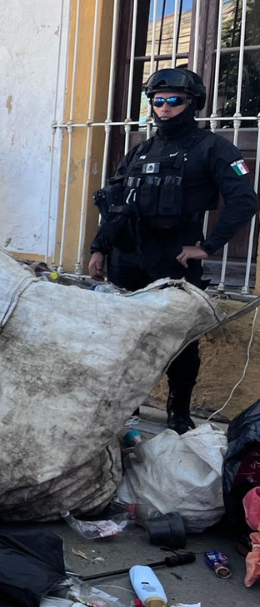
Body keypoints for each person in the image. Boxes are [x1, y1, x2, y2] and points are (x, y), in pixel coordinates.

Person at [88, 68, 257, 433]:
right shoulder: (141, 149)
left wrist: (207, 247)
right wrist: (98, 248)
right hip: (128, 258)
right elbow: (116, 205)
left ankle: (178, 416)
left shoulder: (213, 148)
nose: (163, 108)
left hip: (174, 260)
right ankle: (127, 411)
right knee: (125, 338)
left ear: (192, 103)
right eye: (157, 101)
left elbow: (245, 201)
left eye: (173, 101)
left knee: (181, 342)